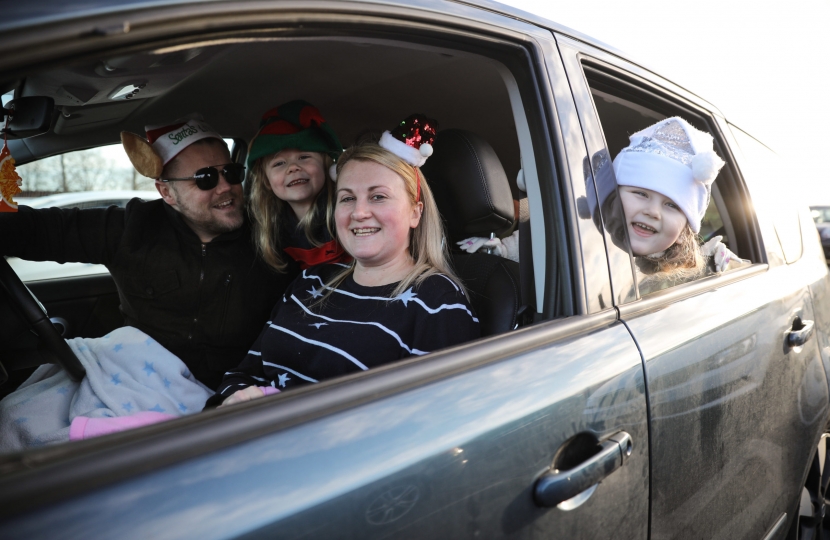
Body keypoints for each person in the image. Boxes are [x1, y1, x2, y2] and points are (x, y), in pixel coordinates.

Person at [0, 116, 297, 389]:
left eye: (231, 173)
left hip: (236, 393)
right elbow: (34, 230)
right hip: (140, 383)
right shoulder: (132, 227)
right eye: (206, 178)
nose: (225, 187)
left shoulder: (270, 235)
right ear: (167, 193)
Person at [207, 114, 480, 408]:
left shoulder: (437, 302)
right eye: (347, 198)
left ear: (415, 212)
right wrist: (232, 404)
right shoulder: (313, 279)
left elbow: (432, 421)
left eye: (377, 197)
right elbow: (244, 371)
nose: (359, 212)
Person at [246, 100, 351, 271]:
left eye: (304, 157)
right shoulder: (275, 227)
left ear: (325, 167)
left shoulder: (344, 210)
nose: (293, 168)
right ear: (266, 181)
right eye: (279, 163)